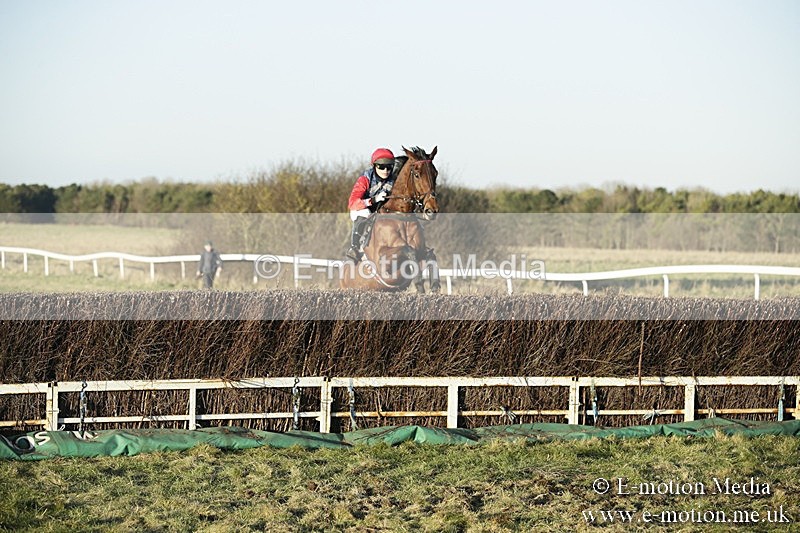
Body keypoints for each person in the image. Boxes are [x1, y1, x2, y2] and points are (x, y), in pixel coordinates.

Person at [345, 147, 396, 261]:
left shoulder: (394, 180)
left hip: (382, 211)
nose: (385, 170)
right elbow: (352, 203)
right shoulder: (365, 179)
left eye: (389, 167)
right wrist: (372, 200)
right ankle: (354, 248)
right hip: (363, 209)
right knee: (364, 213)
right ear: (374, 166)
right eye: (381, 167)